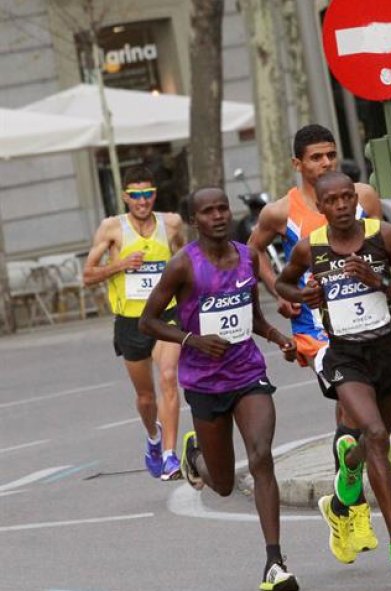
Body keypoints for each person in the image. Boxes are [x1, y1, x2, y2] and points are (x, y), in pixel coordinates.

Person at [138, 188, 299, 591]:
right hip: (205, 383)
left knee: (261, 457)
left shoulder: (248, 256)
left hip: (247, 373)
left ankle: (274, 563)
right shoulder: (182, 266)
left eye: (223, 208)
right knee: (224, 484)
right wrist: (191, 341)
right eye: (208, 211)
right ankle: (196, 459)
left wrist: (278, 337)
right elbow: (148, 322)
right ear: (195, 220)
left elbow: (252, 316)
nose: (218, 216)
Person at [276, 170, 391, 573]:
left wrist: (379, 281)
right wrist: (301, 295)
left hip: (387, 351)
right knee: (376, 433)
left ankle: (349, 472)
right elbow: (283, 284)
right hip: (344, 355)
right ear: (321, 206)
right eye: (334, 200)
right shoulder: (310, 248)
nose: (343, 205)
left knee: (376, 442)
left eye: (349, 197)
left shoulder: (384, 236)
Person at [248, 124, 383, 554]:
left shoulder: (363, 197)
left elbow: (380, 245)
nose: (325, 163)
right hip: (316, 328)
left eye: (330, 155)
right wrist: (278, 294)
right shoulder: (278, 212)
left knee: (360, 418)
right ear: (297, 164)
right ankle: (357, 511)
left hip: (364, 319)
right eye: (316, 158)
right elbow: (252, 252)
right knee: (355, 409)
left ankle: (341, 505)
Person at [82, 165, 185, 481]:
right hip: (131, 321)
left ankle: (170, 456)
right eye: (136, 195)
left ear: (155, 193)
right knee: (145, 397)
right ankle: (153, 440)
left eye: (148, 194)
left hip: (165, 315)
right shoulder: (112, 229)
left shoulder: (171, 223)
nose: (143, 201)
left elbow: (186, 260)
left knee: (169, 376)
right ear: (126, 197)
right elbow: (87, 275)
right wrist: (121, 264)